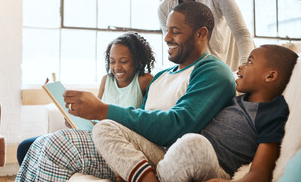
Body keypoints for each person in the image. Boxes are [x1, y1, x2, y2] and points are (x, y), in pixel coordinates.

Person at [16, 1, 236, 181]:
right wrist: (88, 117)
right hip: (133, 145)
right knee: (41, 145)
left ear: (201, 34)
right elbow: (137, 120)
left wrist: (103, 110)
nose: (167, 37)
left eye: (175, 31)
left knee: (59, 145)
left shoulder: (213, 70)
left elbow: (177, 125)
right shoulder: (162, 76)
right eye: (167, 30)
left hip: (167, 154)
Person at [95, 44, 298, 182]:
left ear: (270, 76)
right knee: (106, 127)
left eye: (250, 61)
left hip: (208, 163)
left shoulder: (274, 112)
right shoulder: (234, 99)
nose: (240, 65)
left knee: (195, 144)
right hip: (170, 156)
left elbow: (261, 172)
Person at [16, 31, 155, 166]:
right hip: (93, 134)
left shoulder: (144, 81)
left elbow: (146, 121)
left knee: (40, 147)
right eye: (112, 61)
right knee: (25, 147)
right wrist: (76, 120)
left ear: (137, 61)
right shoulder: (106, 80)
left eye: (123, 61)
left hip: (113, 142)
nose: (117, 67)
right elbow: (95, 114)